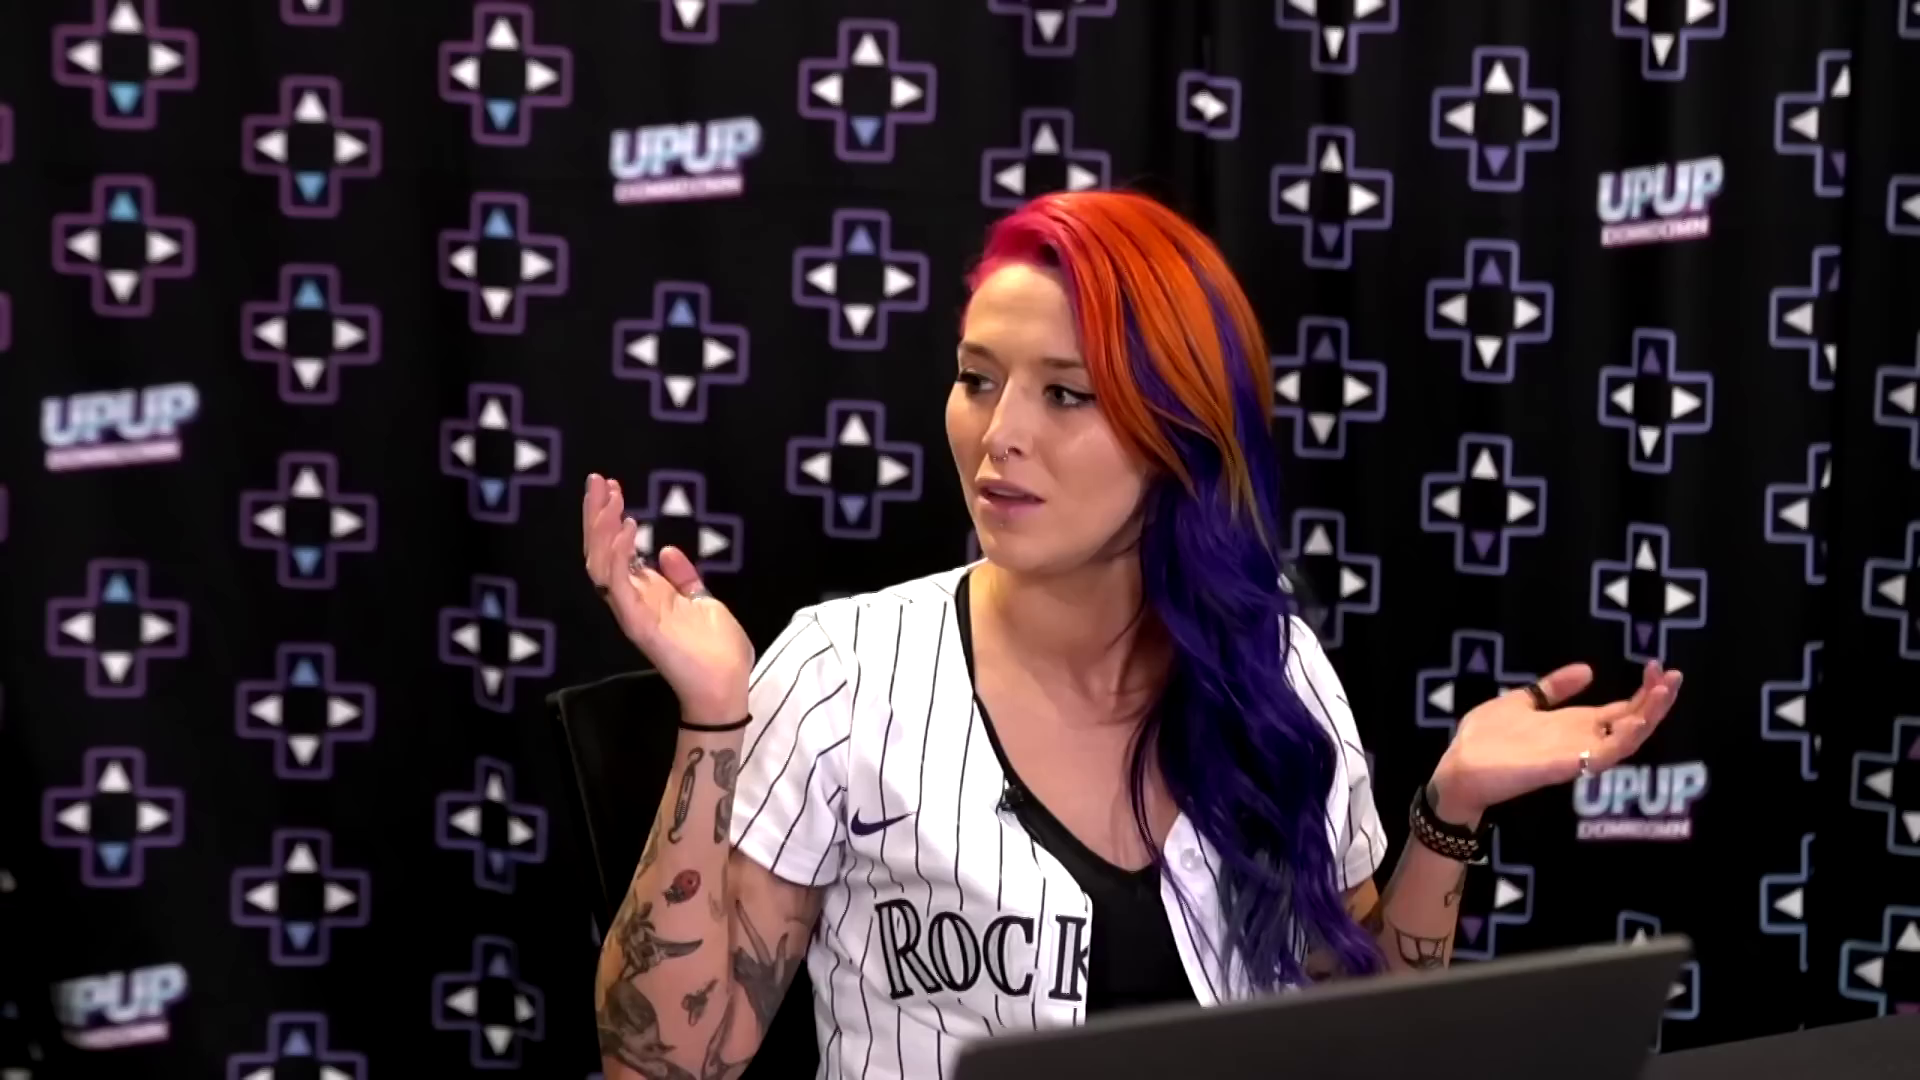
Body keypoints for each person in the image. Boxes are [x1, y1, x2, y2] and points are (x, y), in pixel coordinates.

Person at [584, 190, 1684, 1080]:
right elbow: (667, 1063)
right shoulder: (842, 675)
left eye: (1066, 395)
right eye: (977, 380)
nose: (999, 436)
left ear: (1180, 433)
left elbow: (1365, 1034)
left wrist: (1451, 809)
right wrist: (713, 717)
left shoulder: (1274, 670)